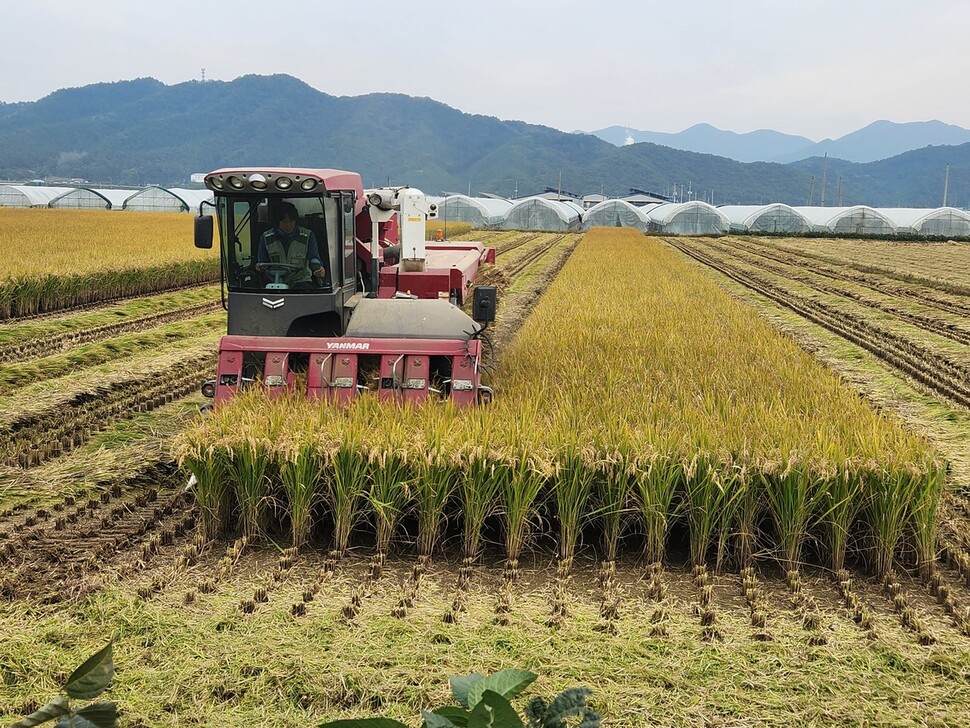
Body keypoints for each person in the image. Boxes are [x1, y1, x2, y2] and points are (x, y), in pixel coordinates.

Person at [256, 201, 326, 287]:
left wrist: (319, 269)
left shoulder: (308, 236)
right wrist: (259, 266)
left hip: (301, 282)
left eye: (291, 221)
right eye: (284, 222)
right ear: (277, 222)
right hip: (274, 282)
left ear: (296, 221)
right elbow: (262, 262)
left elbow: (314, 258)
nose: (288, 225)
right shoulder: (266, 238)